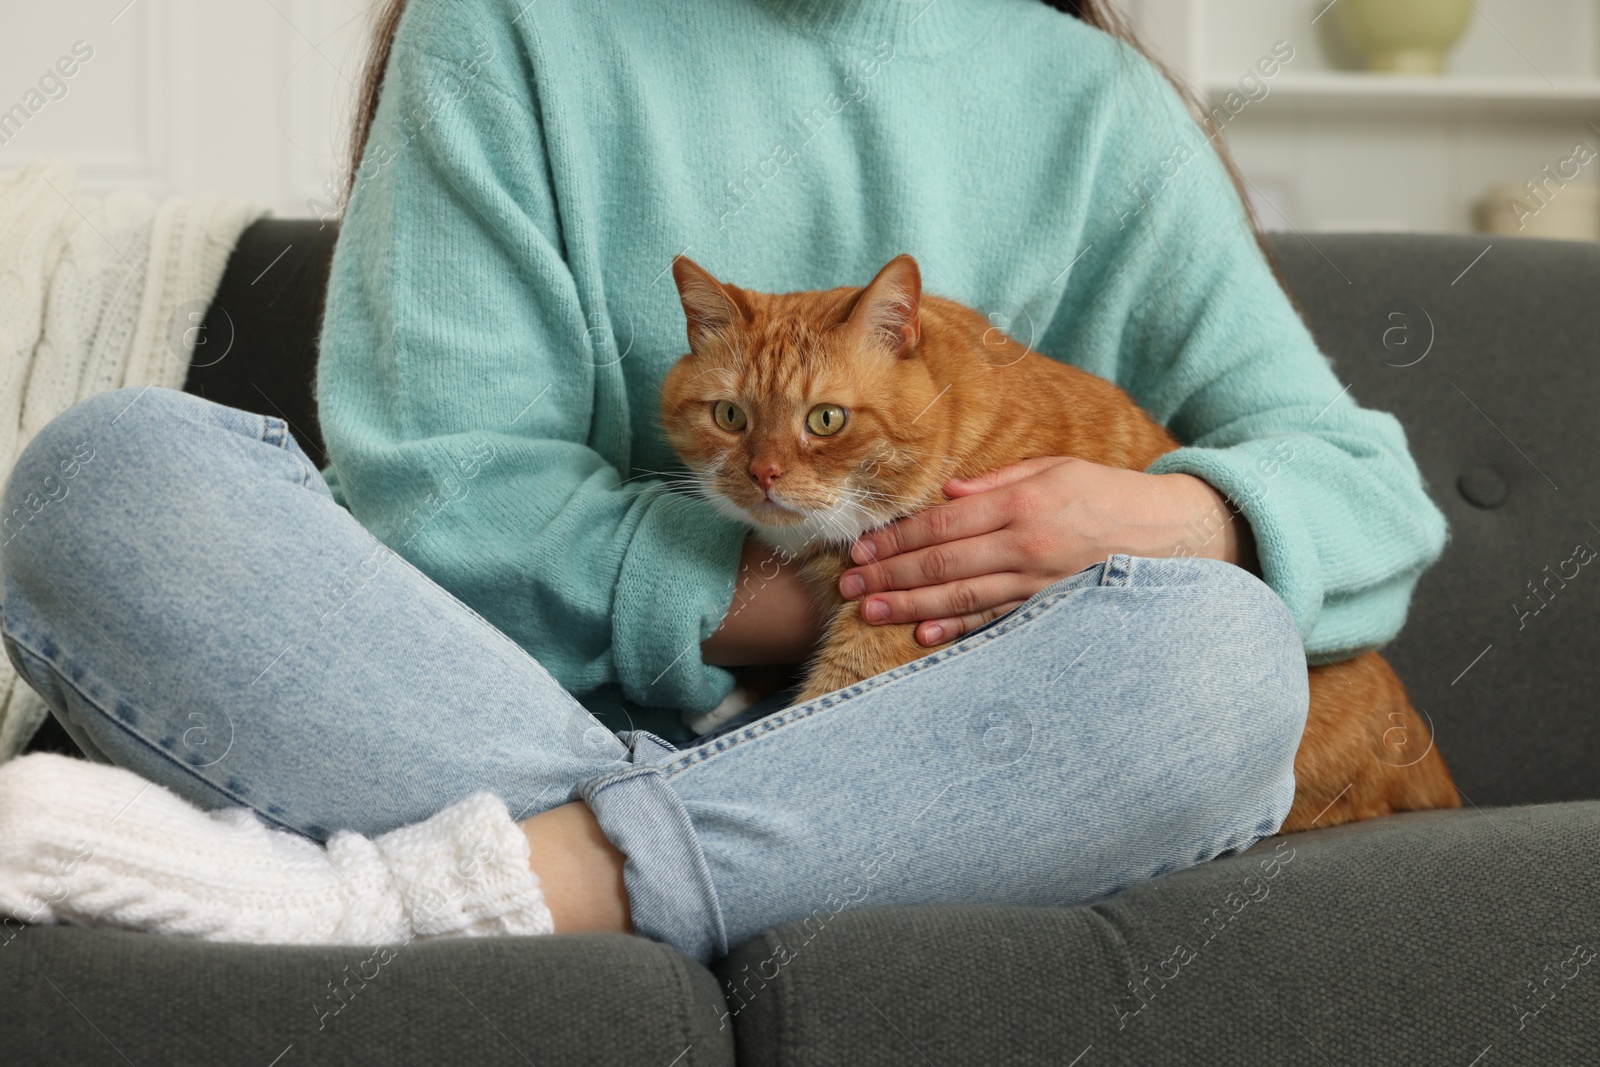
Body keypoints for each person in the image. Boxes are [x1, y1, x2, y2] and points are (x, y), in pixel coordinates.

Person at [0, 0, 1446, 966]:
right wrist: (823, 599)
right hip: (536, 725)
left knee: (1221, 651)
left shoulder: (1096, 106)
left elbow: (1364, 495)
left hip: (949, 747)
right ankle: (713, 859)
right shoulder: (504, 29)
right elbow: (443, 507)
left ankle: (426, 893)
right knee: (105, 481)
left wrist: (1161, 519)